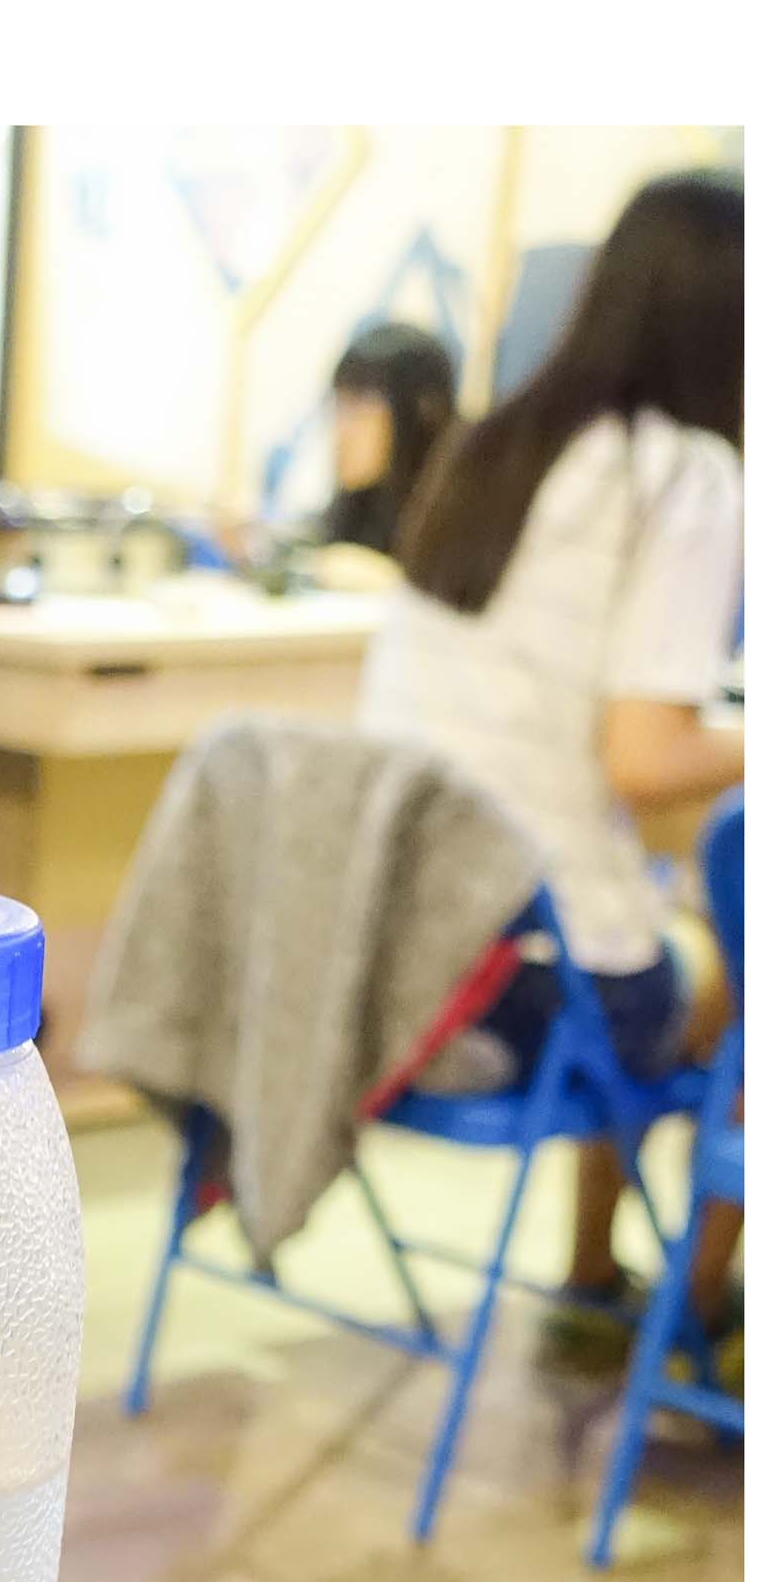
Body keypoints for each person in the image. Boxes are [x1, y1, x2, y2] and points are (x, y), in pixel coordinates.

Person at [359, 169, 744, 1351]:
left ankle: (588, 1274)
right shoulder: (680, 475)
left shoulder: (498, 442)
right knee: (729, 964)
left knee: (638, 905)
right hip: (517, 990)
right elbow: (641, 757)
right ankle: (692, 1312)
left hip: (391, 954)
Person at [318, 320, 458, 562]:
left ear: (420, 415)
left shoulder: (459, 519)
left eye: (359, 406)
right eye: (339, 405)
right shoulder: (359, 505)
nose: (341, 431)